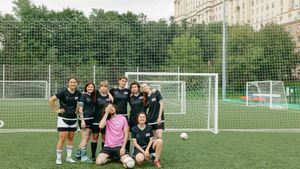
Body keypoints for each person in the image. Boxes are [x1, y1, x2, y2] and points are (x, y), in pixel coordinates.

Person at [49, 77, 81, 165]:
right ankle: (58, 158)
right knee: (62, 137)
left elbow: (81, 103)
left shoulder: (78, 93)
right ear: (68, 83)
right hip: (63, 118)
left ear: (76, 83)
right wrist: (56, 110)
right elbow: (51, 100)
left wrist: (78, 110)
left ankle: (69, 157)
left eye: (74, 82)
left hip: (73, 118)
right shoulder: (63, 92)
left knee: (71, 138)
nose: (73, 84)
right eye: (71, 82)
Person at [95, 103, 134, 168]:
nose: (111, 109)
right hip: (108, 147)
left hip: (119, 146)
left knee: (130, 163)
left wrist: (123, 147)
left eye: (112, 107)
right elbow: (101, 126)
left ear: (115, 108)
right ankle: (112, 157)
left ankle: (116, 157)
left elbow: (126, 134)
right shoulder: (106, 119)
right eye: (109, 108)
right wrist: (106, 113)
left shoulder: (123, 118)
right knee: (98, 162)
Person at [90, 80, 112, 161]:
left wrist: (109, 93)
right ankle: (93, 155)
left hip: (105, 120)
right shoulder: (96, 94)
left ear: (107, 88)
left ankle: (104, 154)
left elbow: (112, 101)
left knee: (104, 137)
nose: (104, 88)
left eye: (105, 86)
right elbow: (89, 90)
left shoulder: (109, 97)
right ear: (100, 87)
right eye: (102, 86)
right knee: (95, 137)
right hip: (96, 119)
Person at [75, 81, 96, 163]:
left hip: (91, 119)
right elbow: (80, 109)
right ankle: (83, 157)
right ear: (86, 88)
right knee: (85, 138)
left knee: (87, 138)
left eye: (92, 87)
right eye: (89, 87)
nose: (90, 88)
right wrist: (82, 120)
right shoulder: (83, 95)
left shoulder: (92, 96)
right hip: (84, 120)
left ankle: (78, 154)